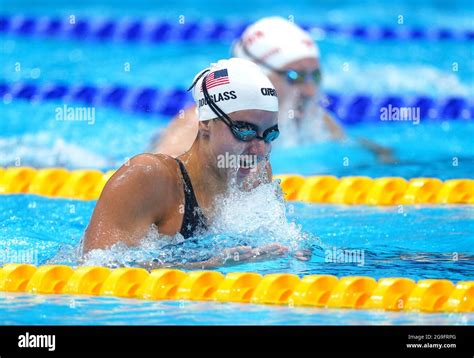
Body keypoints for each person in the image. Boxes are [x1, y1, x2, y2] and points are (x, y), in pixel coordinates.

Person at [84, 58, 309, 268]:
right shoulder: (148, 177)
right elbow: (94, 270)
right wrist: (205, 266)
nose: (259, 150)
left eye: (269, 135)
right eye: (244, 131)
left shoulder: (255, 175)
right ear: (206, 124)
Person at [152, 17, 395, 162]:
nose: (310, 91)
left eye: (315, 76)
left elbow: (365, 150)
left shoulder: (311, 119)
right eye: (294, 76)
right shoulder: (203, 123)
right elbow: (164, 177)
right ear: (257, 74)